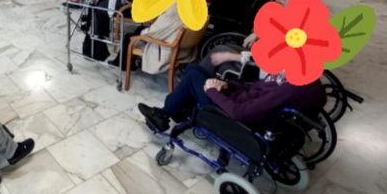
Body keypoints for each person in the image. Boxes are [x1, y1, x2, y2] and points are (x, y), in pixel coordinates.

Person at [138, 63, 326, 131]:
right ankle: (180, 107)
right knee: (194, 68)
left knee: (192, 76)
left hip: (230, 113)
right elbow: (255, 89)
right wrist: (227, 85)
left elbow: (239, 113)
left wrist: (213, 91)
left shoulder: (291, 89)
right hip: (237, 97)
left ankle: (162, 115)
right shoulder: (300, 77)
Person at [108, 3, 187, 72]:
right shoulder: (185, 11)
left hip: (163, 46)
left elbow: (155, 31)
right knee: (139, 29)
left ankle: (122, 64)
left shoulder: (171, 14)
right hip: (174, 41)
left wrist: (142, 33)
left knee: (129, 37)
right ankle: (130, 61)